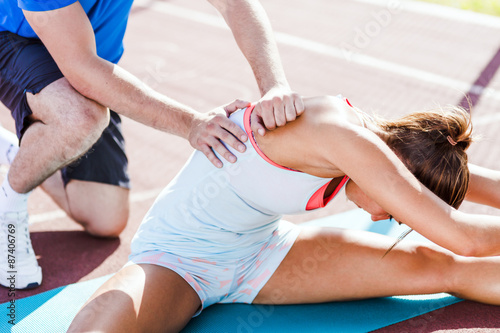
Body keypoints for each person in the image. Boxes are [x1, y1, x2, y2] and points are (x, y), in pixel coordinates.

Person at [68, 94, 500, 332]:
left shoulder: (404, 149)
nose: (384, 216)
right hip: (178, 260)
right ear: (398, 172)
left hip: (264, 254)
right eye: (401, 209)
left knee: (442, 267)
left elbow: (481, 189)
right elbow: (470, 238)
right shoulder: (342, 137)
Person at [0, 0, 304, 289]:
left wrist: (274, 85)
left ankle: (27, 155)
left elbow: (234, 3)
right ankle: (9, 207)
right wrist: (192, 123)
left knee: (105, 218)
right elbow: (81, 69)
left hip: (91, 60)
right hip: (14, 40)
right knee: (81, 117)